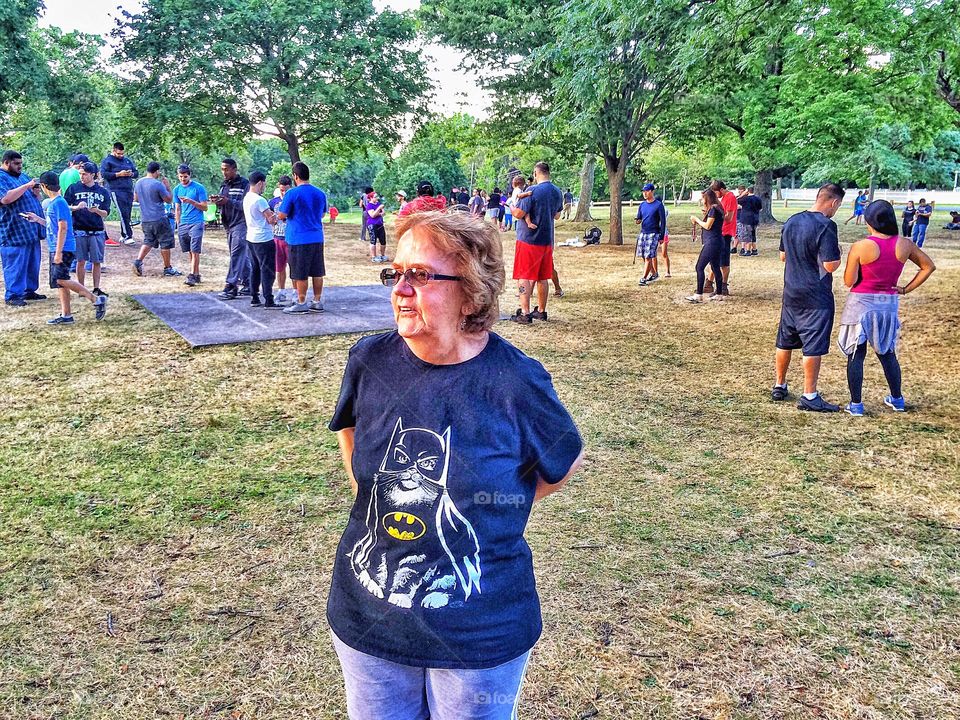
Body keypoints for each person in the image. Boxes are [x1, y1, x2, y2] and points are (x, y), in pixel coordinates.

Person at [327, 209, 584, 720]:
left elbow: (558, 465)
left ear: (472, 291)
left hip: (477, 634)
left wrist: (490, 507)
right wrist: (377, 493)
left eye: (419, 275)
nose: (400, 289)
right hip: (368, 620)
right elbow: (352, 431)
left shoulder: (517, 383)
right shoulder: (369, 360)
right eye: (394, 274)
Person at [838, 200, 936, 416]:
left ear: (870, 221)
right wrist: (905, 289)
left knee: (856, 353)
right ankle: (897, 399)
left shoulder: (861, 246)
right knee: (887, 351)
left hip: (861, 302)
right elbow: (928, 266)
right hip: (888, 303)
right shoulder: (905, 244)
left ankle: (856, 404)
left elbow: (849, 281)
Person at [771, 183, 846, 412]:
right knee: (812, 345)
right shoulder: (827, 226)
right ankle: (809, 395)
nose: (836, 210)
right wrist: (840, 252)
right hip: (816, 297)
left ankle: (779, 384)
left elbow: (783, 256)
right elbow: (830, 265)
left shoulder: (792, 221)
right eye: (838, 206)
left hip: (791, 293)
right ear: (833, 202)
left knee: (785, 341)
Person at [21, 171, 106, 324]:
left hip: (63, 248)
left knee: (62, 279)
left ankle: (96, 299)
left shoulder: (58, 203)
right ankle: (66, 315)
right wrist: (36, 219)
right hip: (57, 247)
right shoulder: (56, 203)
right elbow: (52, 224)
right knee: (60, 281)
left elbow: (63, 227)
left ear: (44, 186)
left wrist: (59, 253)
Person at [510, 161, 564, 323]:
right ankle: (541, 310)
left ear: (535, 173)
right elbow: (557, 216)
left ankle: (525, 313)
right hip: (546, 239)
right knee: (542, 276)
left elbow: (519, 213)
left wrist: (512, 207)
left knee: (523, 275)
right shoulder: (557, 191)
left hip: (528, 239)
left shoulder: (532, 191)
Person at [277, 161, 327, 315]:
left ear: (295, 176)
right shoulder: (320, 193)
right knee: (317, 271)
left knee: (300, 272)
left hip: (298, 238)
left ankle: (301, 302)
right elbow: (323, 213)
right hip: (317, 236)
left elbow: (281, 215)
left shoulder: (292, 193)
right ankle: (317, 301)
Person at [0, 150, 46, 307]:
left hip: (31, 229)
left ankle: (28, 290)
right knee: (15, 264)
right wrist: (27, 186)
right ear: (6, 162)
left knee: (32, 263)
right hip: (13, 231)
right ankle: (13, 295)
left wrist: (36, 192)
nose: (20, 167)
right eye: (16, 164)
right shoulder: (1, 177)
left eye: (21, 164)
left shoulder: (22, 176)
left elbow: (35, 198)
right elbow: (5, 198)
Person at [65, 161, 111, 297]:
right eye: (80, 174)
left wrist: (97, 210)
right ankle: (81, 288)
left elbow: (106, 213)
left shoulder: (102, 192)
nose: (82, 177)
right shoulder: (73, 188)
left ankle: (96, 288)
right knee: (80, 260)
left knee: (97, 261)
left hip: (96, 230)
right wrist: (76, 207)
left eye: (84, 174)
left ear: (93, 175)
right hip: (79, 229)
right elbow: (65, 206)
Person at [210, 158, 251, 299]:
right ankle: (249, 283)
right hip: (228, 223)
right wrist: (218, 201)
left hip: (241, 223)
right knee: (240, 255)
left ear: (234, 169)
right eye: (222, 169)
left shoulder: (245, 184)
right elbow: (224, 203)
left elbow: (246, 205)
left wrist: (228, 201)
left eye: (226, 169)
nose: (224, 172)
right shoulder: (224, 185)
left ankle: (231, 286)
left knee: (236, 254)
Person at [131, 163, 178, 277]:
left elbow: (136, 199)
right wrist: (167, 187)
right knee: (165, 243)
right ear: (156, 171)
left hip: (145, 219)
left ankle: (138, 261)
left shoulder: (139, 183)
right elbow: (168, 200)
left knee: (148, 241)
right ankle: (168, 268)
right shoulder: (157, 184)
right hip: (159, 218)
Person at [243, 171, 279, 308]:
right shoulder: (260, 200)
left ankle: (254, 296)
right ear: (260, 183)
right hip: (264, 238)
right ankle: (269, 299)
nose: (264, 187)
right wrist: (277, 216)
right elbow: (270, 219)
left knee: (255, 268)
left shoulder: (247, 197)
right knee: (267, 269)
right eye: (264, 184)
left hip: (251, 237)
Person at [685, 188, 725, 304]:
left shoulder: (713, 209)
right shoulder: (717, 208)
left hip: (712, 242)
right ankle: (719, 293)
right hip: (717, 241)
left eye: (703, 198)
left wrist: (696, 219)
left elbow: (708, 226)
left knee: (699, 267)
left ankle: (698, 294)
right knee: (715, 267)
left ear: (707, 198)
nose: (702, 200)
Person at [172, 164, 209, 287]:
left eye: (185, 176)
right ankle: (197, 274)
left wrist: (191, 201)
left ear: (190, 175)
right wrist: (178, 224)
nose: (183, 179)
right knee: (189, 250)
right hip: (184, 222)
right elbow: (177, 208)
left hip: (196, 222)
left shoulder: (198, 188)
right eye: (181, 176)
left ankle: (192, 275)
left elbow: (205, 207)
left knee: (195, 250)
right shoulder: (177, 189)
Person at [100, 142, 139, 245]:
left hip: (128, 189)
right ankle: (128, 236)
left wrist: (131, 174)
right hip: (115, 189)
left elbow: (136, 173)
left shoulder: (127, 161)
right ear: (113, 151)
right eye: (119, 154)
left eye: (122, 153)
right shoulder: (107, 161)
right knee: (122, 212)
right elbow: (104, 174)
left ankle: (123, 234)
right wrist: (118, 174)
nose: (121, 156)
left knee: (127, 212)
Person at [703, 180, 738, 295]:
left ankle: (723, 286)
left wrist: (716, 215)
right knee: (714, 260)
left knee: (723, 262)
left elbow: (729, 217)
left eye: (716, 192)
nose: (715, 195)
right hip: (718, 232)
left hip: (725, 232)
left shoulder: (730, 197)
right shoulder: (722, 198)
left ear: (721, 190)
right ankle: (709, 283)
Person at [635, 182, 666, 286]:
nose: (645, 193)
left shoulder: (658, 205)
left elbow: (663, 221)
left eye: (647, 191)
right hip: (643, 232)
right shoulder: (642, 205)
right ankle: (654, 273)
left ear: (652, 191)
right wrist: (638, 220)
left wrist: (661, 236)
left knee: (648, 256)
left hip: (653, 233)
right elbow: (639, 217)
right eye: (644, 191)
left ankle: (643, 278)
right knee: (643, 255)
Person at [268, 176, 292, 304]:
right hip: (277, 237)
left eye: (286, 190)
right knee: (279, 267)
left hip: (291, 238)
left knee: (293, 267)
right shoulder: (273, 202)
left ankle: (296, 292)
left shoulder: (293, 200)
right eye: (281, 190)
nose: (284, 193)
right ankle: (281, 291)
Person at [736, 186, 762, 256]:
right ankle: (754, 249)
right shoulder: (758, 199)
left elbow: (736, 200)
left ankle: (747, 250)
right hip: (755, 219)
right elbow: (760, 208)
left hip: (746, 219)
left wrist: (743, 194)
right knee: (753, 234)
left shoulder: (745, 199)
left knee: (747, 235)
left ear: (747, 191)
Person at [365, 189, 388, 262]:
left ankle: (382, 255)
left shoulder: (378, 204)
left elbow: (383, 213)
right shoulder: (369, 205)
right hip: (372, 225)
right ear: (371, 198)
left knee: (383, 240)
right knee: (373, 240)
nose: (377, 198)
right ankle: (374, 257)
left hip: (380, 224)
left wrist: (379, 212)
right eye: (375, 197)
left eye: (377, 197)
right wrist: (379, 209)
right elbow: (372, 215)